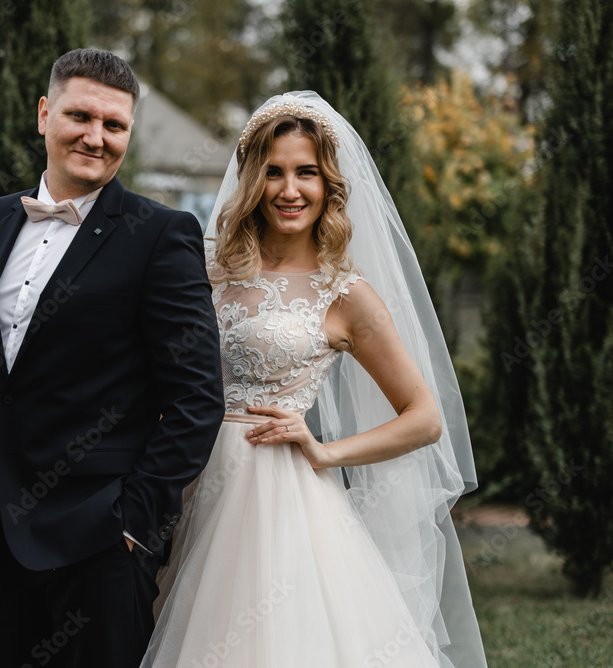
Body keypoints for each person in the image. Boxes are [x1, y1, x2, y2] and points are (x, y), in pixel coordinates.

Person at [141, 92, 487, 667]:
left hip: (283, 498)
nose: (289, 190)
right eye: (273, 172)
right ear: (252, 179)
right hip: (187, 482)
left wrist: (327, 453)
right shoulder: (207, 273)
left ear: (330, 184)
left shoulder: (346, 295)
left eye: (307, 172)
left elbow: (425, 418)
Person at [0, 48, 225, 668]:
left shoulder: (162, 236)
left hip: (101, 540)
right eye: (81, 116)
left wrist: (134, 523)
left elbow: (197, 399)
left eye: (115, 125)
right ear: (45, 114)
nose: (96, 137)